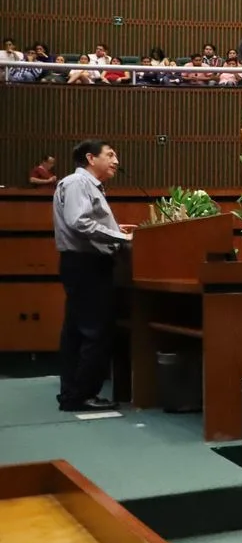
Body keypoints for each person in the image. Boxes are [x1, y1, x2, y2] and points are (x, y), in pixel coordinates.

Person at [53, 140, 136, 412]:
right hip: (86, 265)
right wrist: (121, 236)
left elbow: (86, 221)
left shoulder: (85, 185)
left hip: (81, 264)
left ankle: (72, 394)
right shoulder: (78, 184)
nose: (116, 161)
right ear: (90, 158)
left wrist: (114, 227)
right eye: (110, 155)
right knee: (93, 331)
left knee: (77, 332)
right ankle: (82, 395)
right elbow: (79, 222)